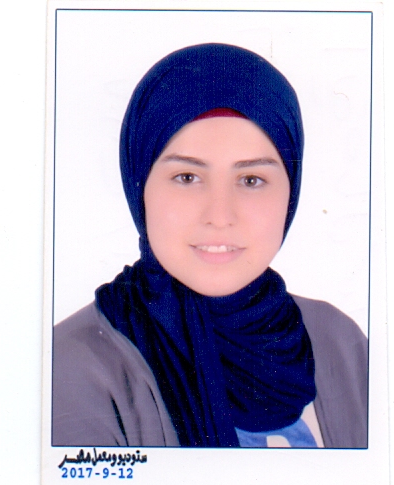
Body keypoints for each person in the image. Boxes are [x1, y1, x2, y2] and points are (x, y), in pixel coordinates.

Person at [52, 43, 367, 449]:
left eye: (251, 180)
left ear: (290, 191)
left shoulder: (341, 343)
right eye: (187, 177)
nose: (220, 216)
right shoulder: (71, 369)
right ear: (139, 185)